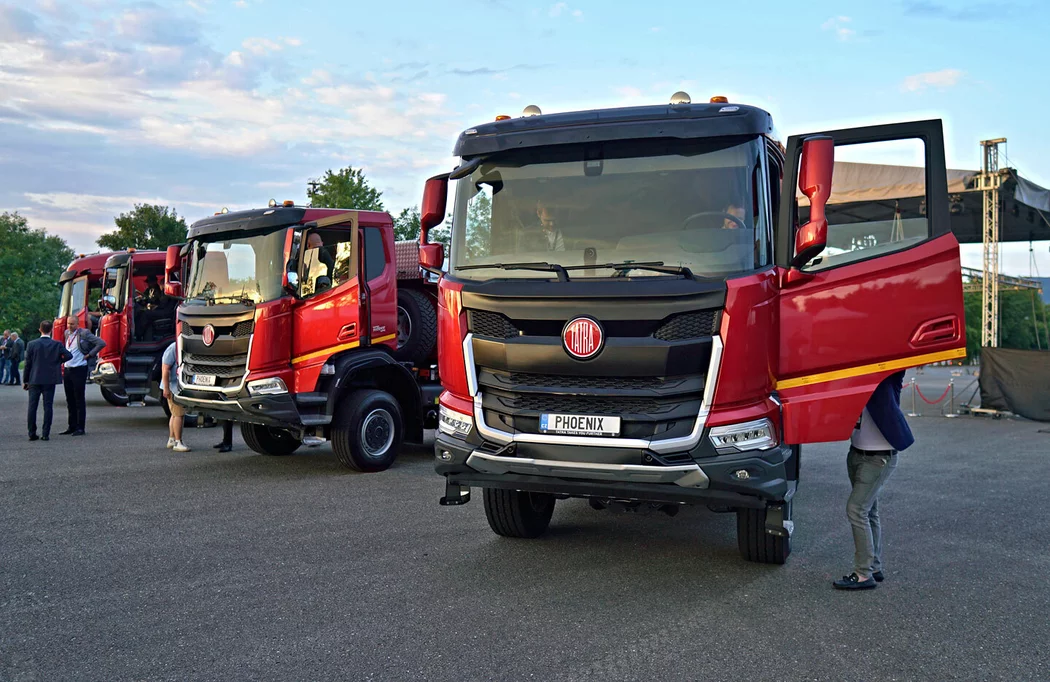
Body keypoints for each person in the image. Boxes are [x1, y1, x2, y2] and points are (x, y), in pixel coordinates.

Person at [833, 370, 913, 591]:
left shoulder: (888, 377)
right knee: (869, 511)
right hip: (857, 452)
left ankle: (862, 574)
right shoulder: (853, 379)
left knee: (856, 509)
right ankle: (874, 566)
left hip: (879, 457)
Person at [23, 320, 73, 441]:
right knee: (48, 406)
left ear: (40, 329)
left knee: (32, 406)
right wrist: (57, 362)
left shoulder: (32, 344)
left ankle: (32, 432)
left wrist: (26, 380)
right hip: (50, 379)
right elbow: (69, 356)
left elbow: (27, 364)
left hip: (34, 378)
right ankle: (46, 433)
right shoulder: (57, 344)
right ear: (51, 330)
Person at [61, 315, 105, 436]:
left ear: (77, 324)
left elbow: (101, 343)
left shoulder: (84, 333)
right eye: (68, 324)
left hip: (79, 368)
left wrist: (90, 355)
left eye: (72, 324)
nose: (70, 326)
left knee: (79, 398)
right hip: (68, 368)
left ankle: (81, 427)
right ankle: (71, 426)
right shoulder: (66, 333)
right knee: (69, 399)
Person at [160, 341, 189, 452]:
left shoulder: (176, 346)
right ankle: (178, 442)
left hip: (172, 386)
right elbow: (165, 369)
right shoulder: (173, 348)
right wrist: (167, 388)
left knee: (174, 414)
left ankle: (171, 439)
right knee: (179, 415)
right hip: (173, 387)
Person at [134, 274, 168, 340]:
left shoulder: (159, 290)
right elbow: (144, 296)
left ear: (155, 282)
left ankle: (139, 334)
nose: (149, 284)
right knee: (139, 312)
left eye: (150, 282)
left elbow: (160, 302)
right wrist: (141, 299)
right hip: (153, 309)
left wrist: (149, 301)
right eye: (148, 282)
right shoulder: (149, 289)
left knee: (144, 314)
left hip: (158, 309)